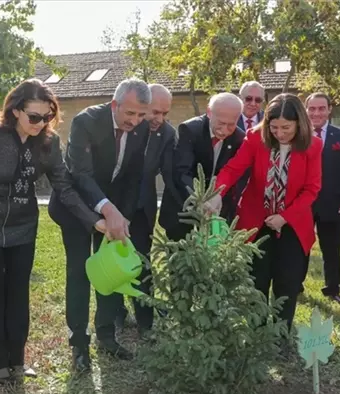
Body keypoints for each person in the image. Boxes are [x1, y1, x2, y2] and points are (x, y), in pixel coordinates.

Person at [0, 79, 105, 384]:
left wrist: (93, 220)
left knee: (18, 294)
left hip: (23, 227)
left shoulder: (48, 143)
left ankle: (17, 360)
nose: (41, 123)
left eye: (47, 117)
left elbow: (65, 188)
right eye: (34, 117)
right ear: (16, 110)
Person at [48, 78, 152, 372]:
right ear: (115, 104)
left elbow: (134, 175)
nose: (135, 121)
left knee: (111, 272)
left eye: (141, 115)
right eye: (130, 113)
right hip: (78, 210)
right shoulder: (87, 121)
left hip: (115, 209)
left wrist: (124, 214)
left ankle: (107, 337)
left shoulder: (141, 128)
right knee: (80, 272)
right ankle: (79, 344)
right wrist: (106, 210)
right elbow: (80, 173)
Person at [207, 93, 322, 331]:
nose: (279, 133)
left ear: (299, 123)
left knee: (287, 282)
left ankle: (280, 335)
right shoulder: (255, 139)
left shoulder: (313, 145)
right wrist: (217, 193)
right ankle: (257, 334)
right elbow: (233, 169)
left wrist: (284, 217)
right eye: (274, 127)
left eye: (286, 128)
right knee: (256, 280)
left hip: (292, 223)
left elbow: (312, 189)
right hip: (255, 220)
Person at [117, 83, 177, 336]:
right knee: (115, 260)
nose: (158, 119)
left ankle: (145, 321)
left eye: (164, 113)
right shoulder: (126, 126)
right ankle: (115, 314)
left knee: (143, 262)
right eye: (154, 112)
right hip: (116, 206)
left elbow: (171, 174)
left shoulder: (168, 134)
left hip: (144, 207)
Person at [160, 93, 246, 240]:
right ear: (209, 112)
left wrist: (218, 200)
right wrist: (199, 199)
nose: (224, 130)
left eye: (231, 124)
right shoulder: (189, 130)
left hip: (217, 213)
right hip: (183, 207)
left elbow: (235, 176)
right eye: (220, 123)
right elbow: (182, 172)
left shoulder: (239, 138)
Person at [305, 92, 340, 303]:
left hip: (333, 204)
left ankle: (333, 288)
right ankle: (295, 284)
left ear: (329, 110)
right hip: (303, 204)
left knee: (331, 249)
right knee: (300, 247)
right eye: (312, 108)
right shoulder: (297, 134)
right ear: (306, 110)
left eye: (321, 108)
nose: (316, 113)